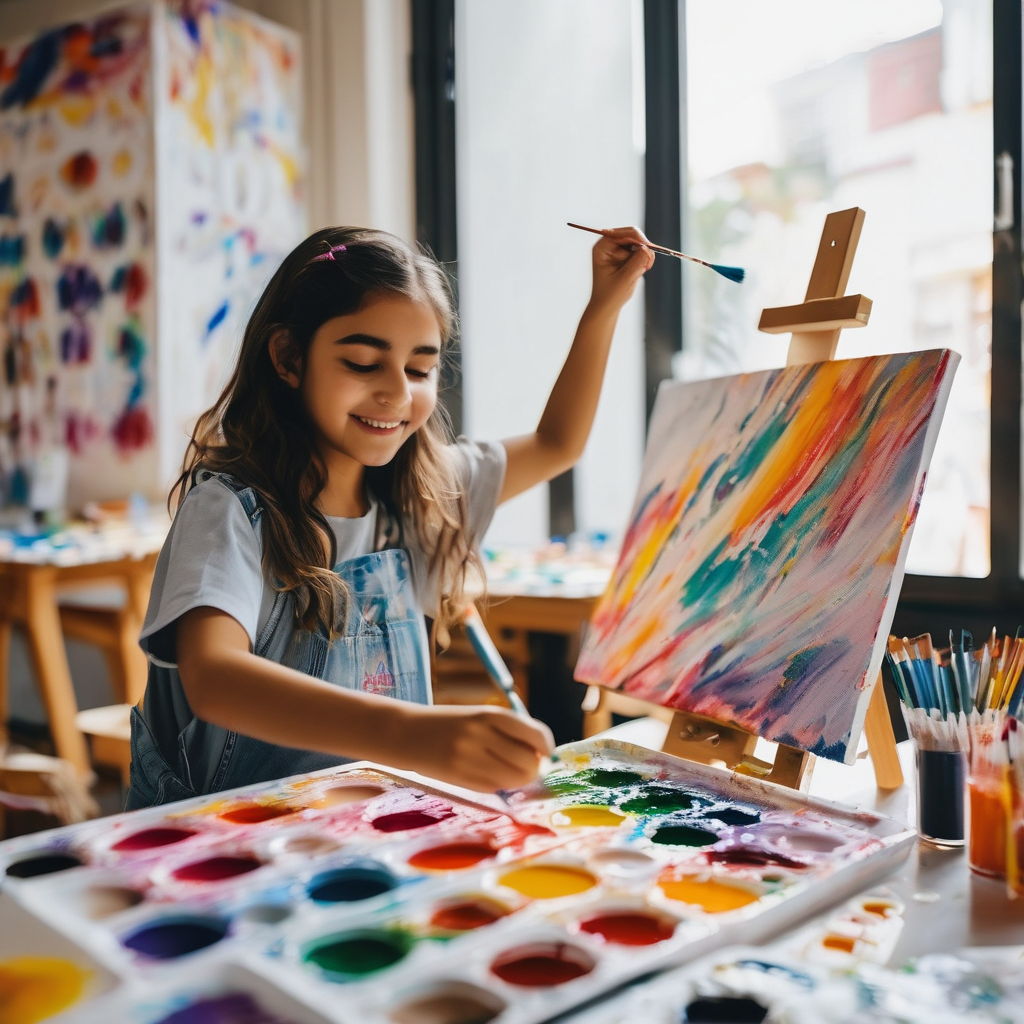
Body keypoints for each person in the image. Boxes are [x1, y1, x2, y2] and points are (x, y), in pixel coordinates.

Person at [126, 224, 654, 809]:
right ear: (288, 357)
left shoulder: (424, 491)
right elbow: (216, 679)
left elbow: (558, 443)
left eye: (419, 370)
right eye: (362, 362)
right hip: (222, 844)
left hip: (362, 831)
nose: (397, 394)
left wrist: (604, 305)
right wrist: (408, 733)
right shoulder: (229, 506)